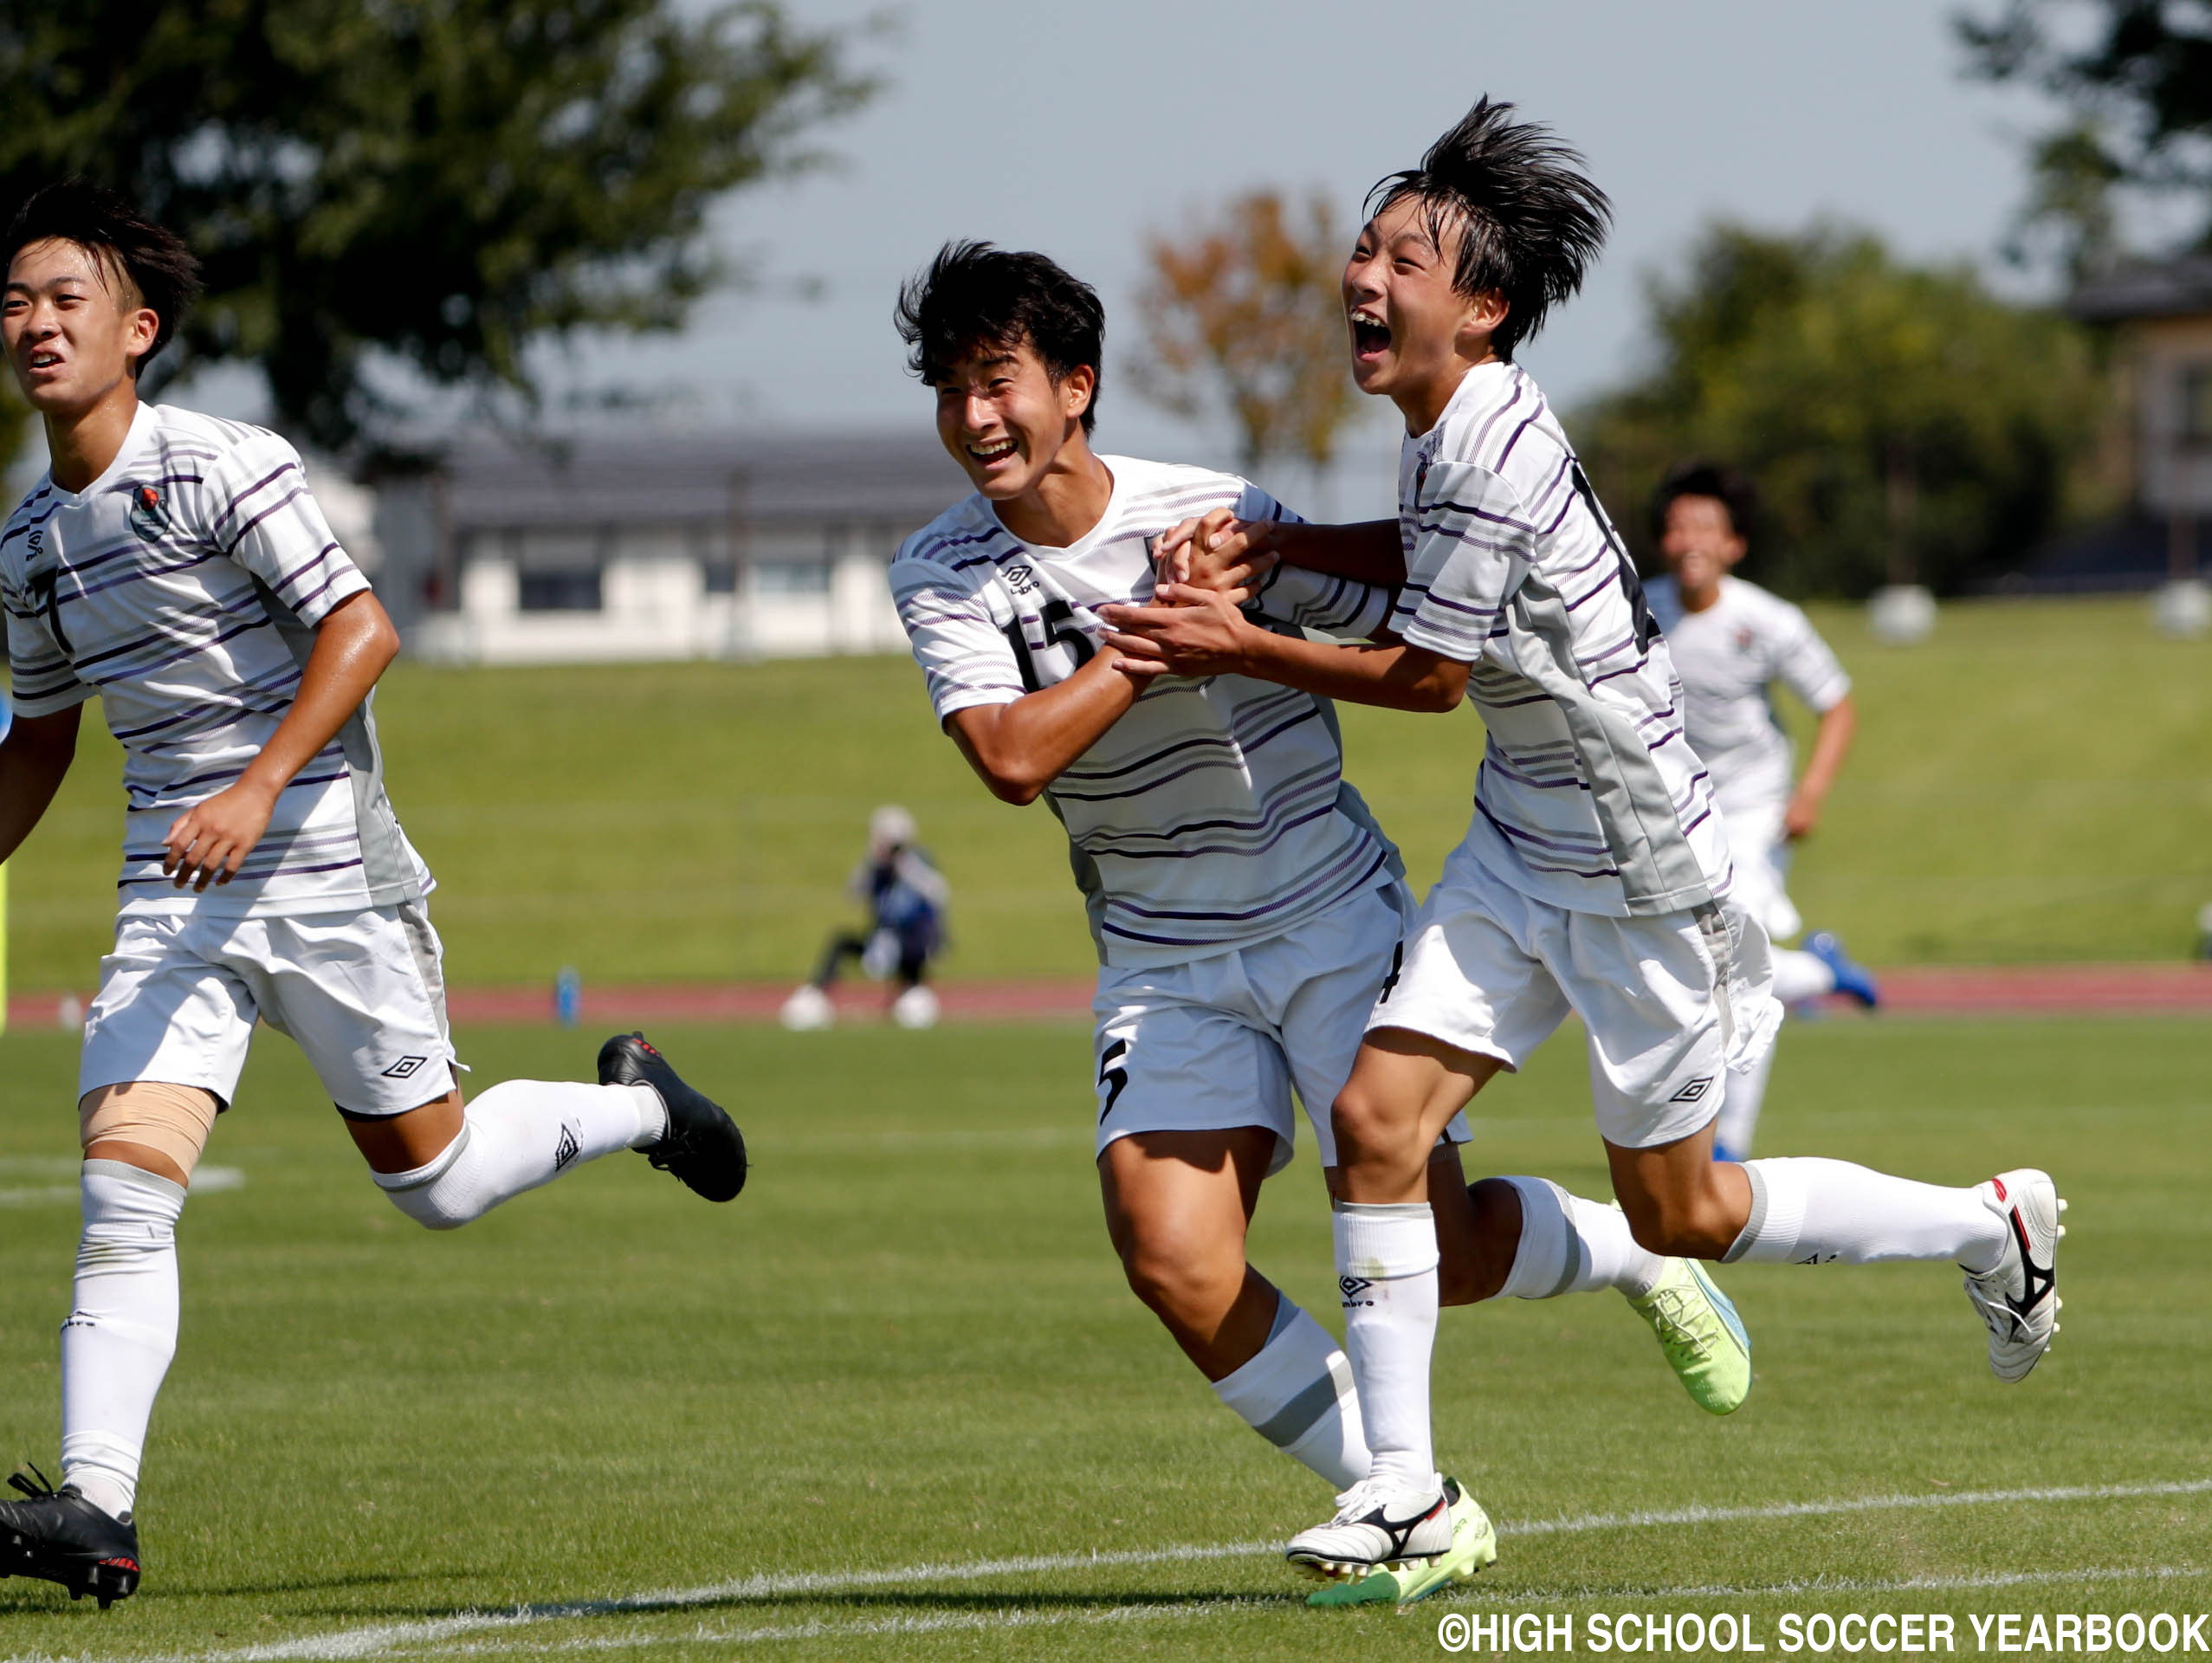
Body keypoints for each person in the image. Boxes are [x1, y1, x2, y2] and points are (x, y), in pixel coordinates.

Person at [1104, 99, 2064, 1606]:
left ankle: (1981, 1220)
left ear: (1476, 307)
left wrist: (1236, 630)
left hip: (1637, 877)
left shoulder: (1485, 435)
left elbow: (1423, 676)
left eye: (1400, 257)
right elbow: (1413, 578)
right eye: (1362, 246)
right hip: (1514, 846)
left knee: (1685, 1208)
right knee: (1374, 1126)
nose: (1362, 273)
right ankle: (1408, 1496)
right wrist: (1274, 550)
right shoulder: (1437, 428)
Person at [886, 239, 1756, 1575]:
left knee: (1452, 1254)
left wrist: (1262, 570)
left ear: (1075, 384)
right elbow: (1009, 756)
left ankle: (1637, 1261)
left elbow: (1403, 608)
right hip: (1161, 956)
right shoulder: (941, 569)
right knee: (1173, 1260)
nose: (973, 417)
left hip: (1330, 914)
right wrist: (1166, 630)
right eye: (948, 389)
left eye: (996, 381)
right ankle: (1406, 1499)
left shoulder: (1214, 510)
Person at [0, 182, 747, 1608]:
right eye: (17, 301)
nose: (36, 322)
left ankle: (649, 1103)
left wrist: (257, 786)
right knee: (120, 1191)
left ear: (136, 330)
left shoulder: (226, 466)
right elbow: (38, 740)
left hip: (325, 868)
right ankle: (97, 1508)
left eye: (66, 299)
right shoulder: (30, 540)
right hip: (173, 895)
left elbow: (364, 626)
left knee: (438, 1183)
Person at [1645, 461, 1879, 1161]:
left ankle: (1728, 1144)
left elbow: (1837, 705)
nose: (1691, 539)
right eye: (1679, 525)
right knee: (1699, 966)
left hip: (1753, 808)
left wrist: (1808, 795)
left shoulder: (1769, 619)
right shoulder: (1637, 607)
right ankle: (1823, 972)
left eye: (1707, 528)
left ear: (1734, 545)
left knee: (1733, 963)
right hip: (1676, 811)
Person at [780, 805, 949, 1031]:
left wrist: (905, 867)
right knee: (841, 941)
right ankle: (816, 995)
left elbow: (937, 891)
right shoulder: (875, 868)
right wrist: (873, 863)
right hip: (881, 937)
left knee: (912, 948)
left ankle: (913, 993)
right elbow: (853, 893)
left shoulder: (917, 861)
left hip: (911, 939)